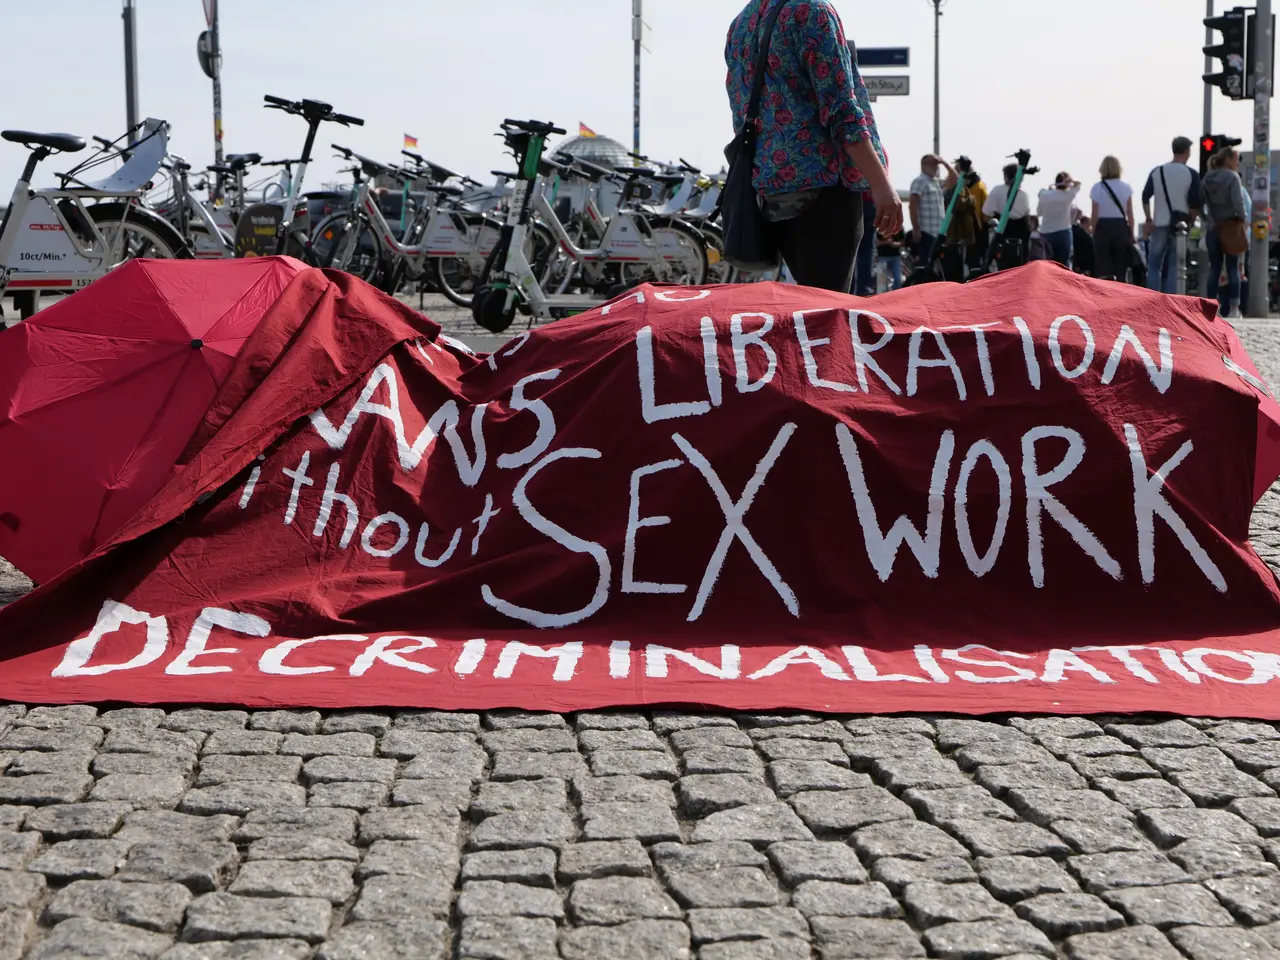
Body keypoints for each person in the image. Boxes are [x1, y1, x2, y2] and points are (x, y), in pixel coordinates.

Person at [725, 0, 902, 291]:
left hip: (772, 190)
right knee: (829, 315)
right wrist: (880, 183)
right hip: (824, 188)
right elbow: (841, 111)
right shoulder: (811, 11)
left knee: (808, 311)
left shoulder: (742, 24)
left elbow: (740, 111)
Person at [1142, 136, 1202, 292]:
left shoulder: (1157, 171)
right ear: (1187, 151)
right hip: (1180, 226)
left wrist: (1149, 219)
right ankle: (1171, 300)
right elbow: (1195, 204)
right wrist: (1190, 222)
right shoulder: (1191, 174)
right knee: (1176, 264)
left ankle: (1152, 299)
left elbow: (1145, 196)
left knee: (1154, 264)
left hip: (1159, 224)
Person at [1202, 146, 1247, 318]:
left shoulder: (1207, 178)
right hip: (1230, 226)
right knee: (1232, 268)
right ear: (1228, 160)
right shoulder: (1232, 177)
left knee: (1214, 268)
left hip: (1213, 227)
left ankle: (1211, 308)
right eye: (1236, 159)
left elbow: (1201, 202)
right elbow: (1238, 202)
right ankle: (1234, 308)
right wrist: (1243, 219)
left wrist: (1206, 219)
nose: (1237, 163)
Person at [1089, 155, 1136, 282]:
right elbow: (1130, 213)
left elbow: (1095, 214)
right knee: (1121, 264)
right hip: (1120, 226)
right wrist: (1131, 233)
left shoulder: (1097, 188)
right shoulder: (1126, 187)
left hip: (1102, 227)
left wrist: (1093, 230)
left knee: (1103, 265)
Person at [982, 163, 1032, 267]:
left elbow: (986, 213)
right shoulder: (1024, 195)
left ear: (1005, 176)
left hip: (1004, 229)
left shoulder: (997, 190)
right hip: (1022, 230)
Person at [1037, 172, 1082, 267]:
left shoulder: (1044, 195)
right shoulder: (1068, 195)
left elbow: (1039, 212)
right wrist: (1072, 180)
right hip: (1063, 232)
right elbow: (1079, 184)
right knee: (1063, 265)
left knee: (1047, 265)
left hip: (1046, 233)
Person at [909, 155, 950, 257]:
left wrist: (944, 162)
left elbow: (956, 179)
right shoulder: (919, 181)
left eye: (937, 164)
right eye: (933, 164)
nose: (936, 167)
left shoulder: (936, 182)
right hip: (926, 232)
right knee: (926, 263)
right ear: (924, 165)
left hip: (939, 232)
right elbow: (912, 205)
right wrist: (916, 229)